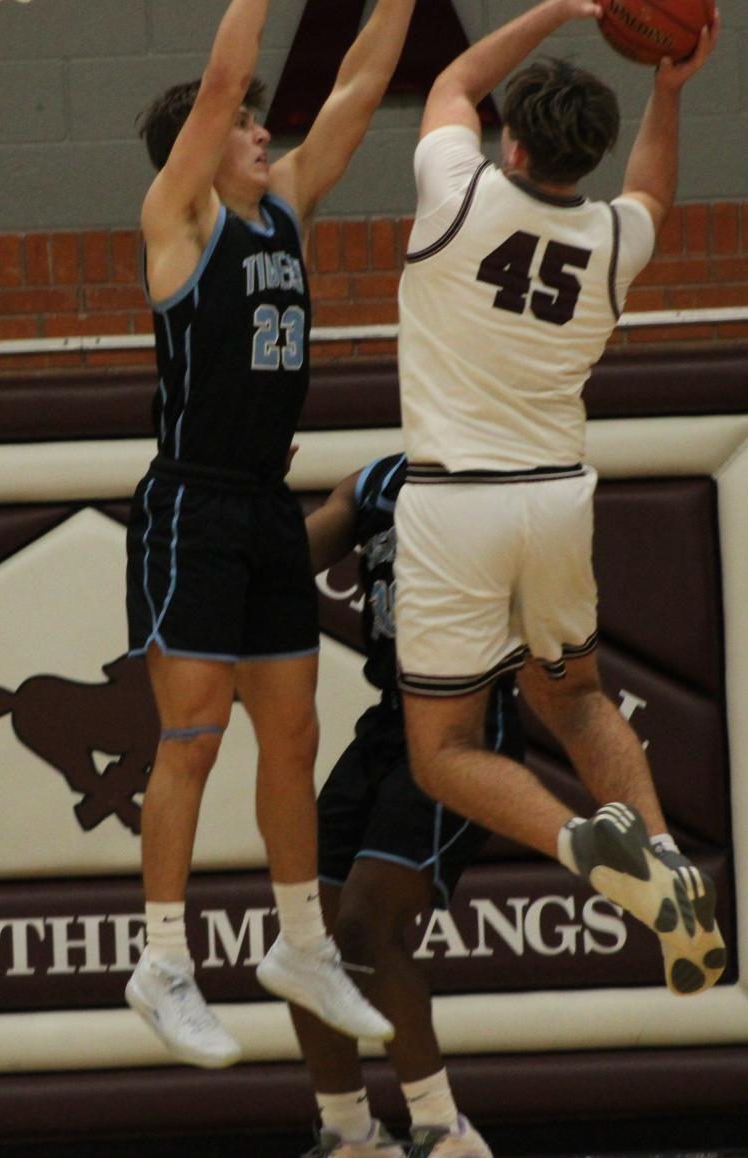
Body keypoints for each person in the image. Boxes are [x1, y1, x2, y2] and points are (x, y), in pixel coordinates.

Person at [124, 0, 441, 1069]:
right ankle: (161, 959)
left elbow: (362, 89)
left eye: (262, 121)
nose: (263, 129)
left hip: (261, 509)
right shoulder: (179, 221)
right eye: (248, 124)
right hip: (189, 506)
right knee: (190, 737)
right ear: (201, 151)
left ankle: (298, 938)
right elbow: (214, 87)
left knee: (294, 734)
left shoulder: (287, 206)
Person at [392, 0, 726, 998]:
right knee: (573, 697)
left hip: (457, 501)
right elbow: (652, 195)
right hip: (555, 495)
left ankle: (596, 854)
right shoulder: (610, 243)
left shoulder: (454, 196)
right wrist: (667, 91)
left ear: (513, 141)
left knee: (440, 748)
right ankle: (664, 856)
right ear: (579, 159)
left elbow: (449, 78)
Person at [294, 453, 517, 1158]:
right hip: (388, 720)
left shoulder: (512, 474)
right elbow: (299, 550)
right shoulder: (379, 480)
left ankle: (445, 1129)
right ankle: (349, 1134)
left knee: (364, 926)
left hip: (465, 721)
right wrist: (244, 500)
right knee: (307, 940)